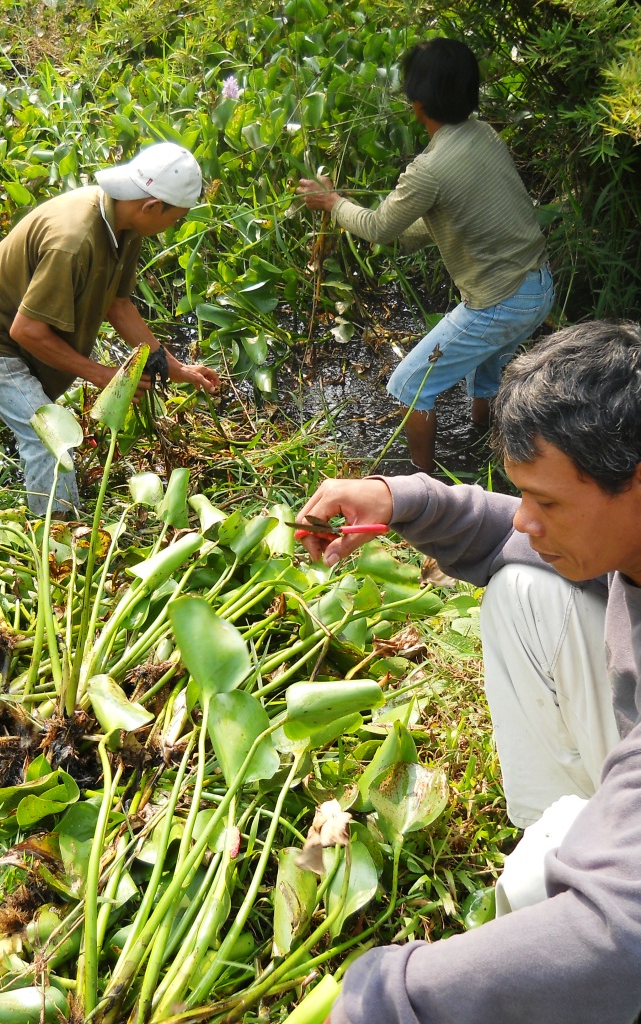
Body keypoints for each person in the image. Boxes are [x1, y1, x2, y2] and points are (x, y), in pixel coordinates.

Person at [295, 320, 641, 1023]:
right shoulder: (616, 531)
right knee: (523, 585)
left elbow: (623, 940)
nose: (526, 521)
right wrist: (399, 499)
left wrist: (390, 998)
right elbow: (509, 528)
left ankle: (567, 860)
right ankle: (560, 839)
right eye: (527, 497)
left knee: (574, 915)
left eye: (548, 503)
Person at [296, 38, 554, 474]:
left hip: (500, 301)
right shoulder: (483, 134)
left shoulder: (427, 171)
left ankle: (426, 489)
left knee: (409, 385)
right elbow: (457, 214)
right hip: (539, 286)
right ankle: (486, 448)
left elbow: (378, 228)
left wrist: (333, 203)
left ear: (417, 105)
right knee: (485, 373)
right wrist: (407, 231)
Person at [0, 142, 220, 516]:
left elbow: (118, 305)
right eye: (175, 219)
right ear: (152, 206)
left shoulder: (125, 224)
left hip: (26, 337)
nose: (172, 228)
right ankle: (58, 543)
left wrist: (175, 368)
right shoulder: (73, 242)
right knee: (50, 440)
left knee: (36, 421)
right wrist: (103, 375)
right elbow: (26, 330)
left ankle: (22, 477)